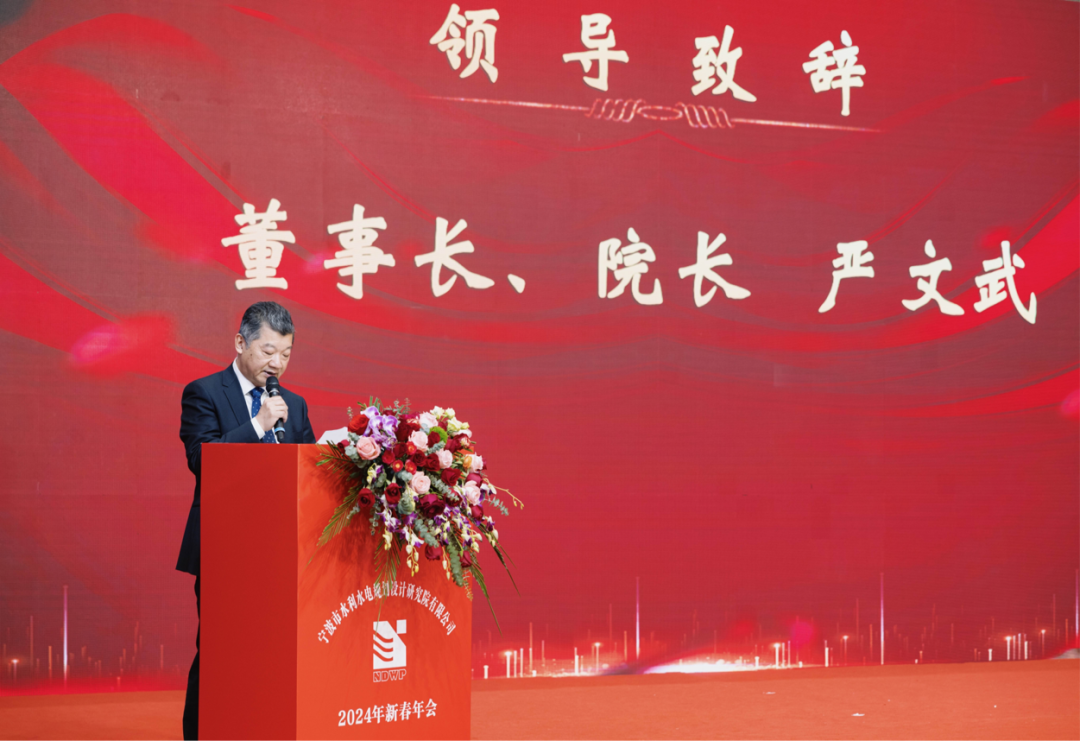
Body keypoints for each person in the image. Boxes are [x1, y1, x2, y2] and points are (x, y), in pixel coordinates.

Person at [176, 301, 316, 741]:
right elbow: (202, 459)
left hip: (283, 554)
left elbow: (310, 473)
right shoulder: (204, 392)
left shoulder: (295, 404)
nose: (278, 364)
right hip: (226, 550)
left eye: (286, 354)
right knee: (221, 651)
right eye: (269, 351)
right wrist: (258, 425)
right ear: (240, 343)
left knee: (275, 654)